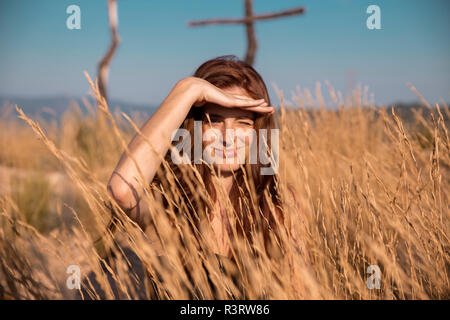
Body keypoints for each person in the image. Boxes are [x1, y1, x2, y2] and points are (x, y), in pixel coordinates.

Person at [100, 55, 311, 299]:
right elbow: (122, 190)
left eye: (243, 122)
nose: (227, 135)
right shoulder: (169, 201)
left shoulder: (278, 204)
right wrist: (189, 89)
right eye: (214, 121)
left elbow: (302, 292)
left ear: (258, 133)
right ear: (194, 129)